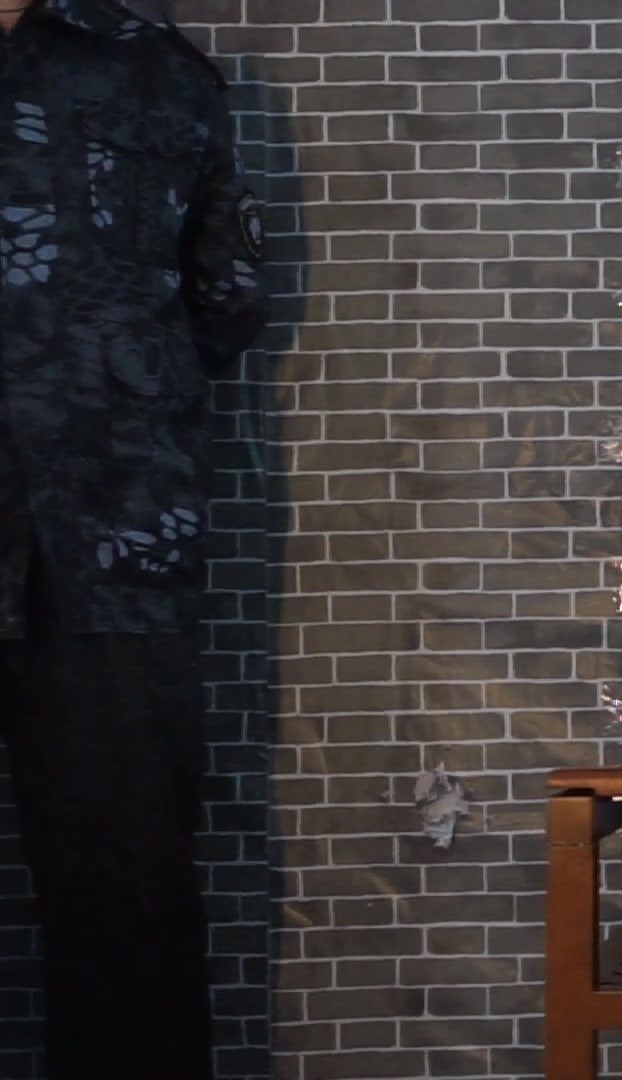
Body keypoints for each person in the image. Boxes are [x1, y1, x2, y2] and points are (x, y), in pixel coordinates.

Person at [0, 0, 267, 1076]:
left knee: (126, 884)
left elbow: (227, 298)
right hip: (112, 511)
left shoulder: (159, 68)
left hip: (113, 533)